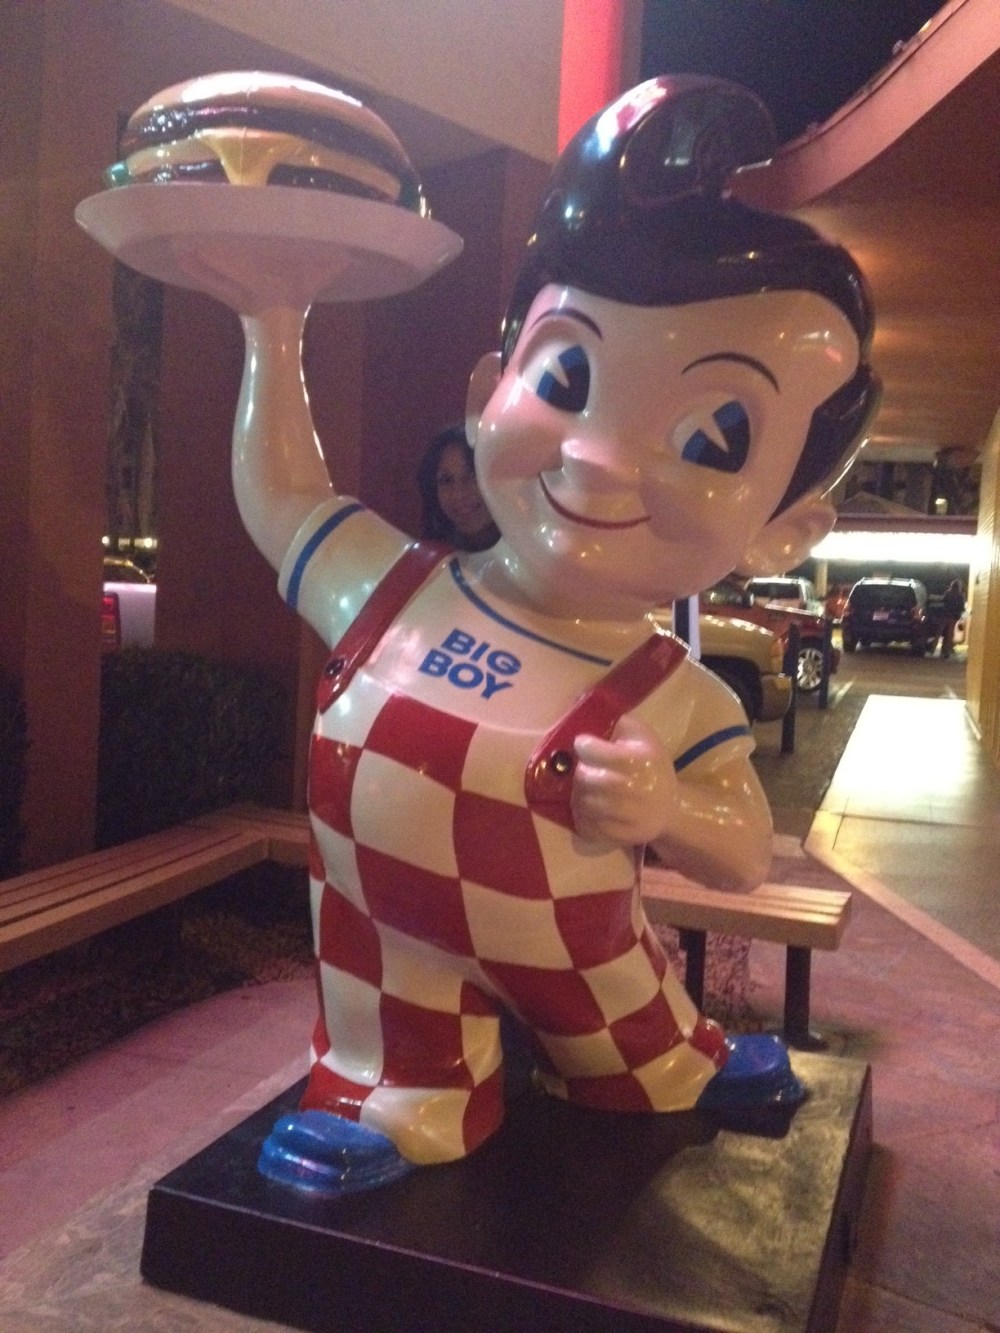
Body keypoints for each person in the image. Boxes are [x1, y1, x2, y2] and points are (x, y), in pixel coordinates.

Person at [216, 75, 877, 1192]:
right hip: (386, 951)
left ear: (783, 530)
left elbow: (740, 848)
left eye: (712, 437)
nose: (598, 458)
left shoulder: (673, 691)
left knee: (640, 1058)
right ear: (491, 389)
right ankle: (397, 1088)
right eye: (567, 375)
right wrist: (270, 323)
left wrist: (667, 809)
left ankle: (667, 1060)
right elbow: (282, 495)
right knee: (394, 1054)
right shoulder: (390, 585)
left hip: (586, 961)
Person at [417, 424, 499, 551]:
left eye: (472, 475)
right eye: (446, 480)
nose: (459, 494)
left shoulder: (530, 543)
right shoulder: (431, 558)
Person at [939, 579, 966, 658]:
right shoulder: (960, 596)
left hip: (945, 615)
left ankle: (936, 649)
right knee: (950, 634)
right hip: (954, 616)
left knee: (941, 633)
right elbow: (961, 607)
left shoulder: (947, 593)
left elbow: (943, 602)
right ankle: (947, 652)